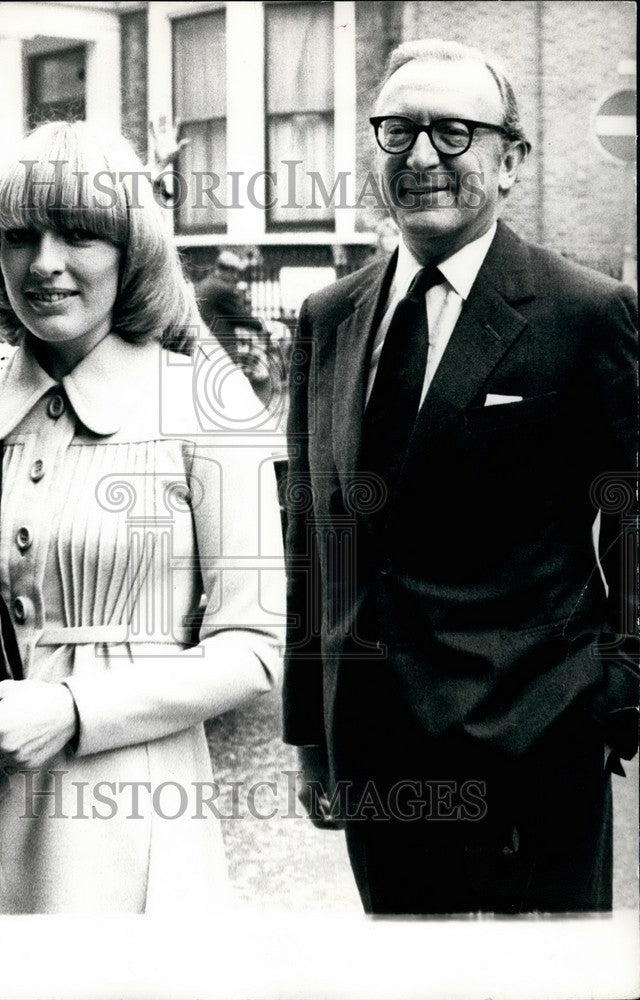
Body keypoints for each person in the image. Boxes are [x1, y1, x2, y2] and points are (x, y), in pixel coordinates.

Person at [0, 121, 284, 914]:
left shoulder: (207, 408)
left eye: (79, 234)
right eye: (21, 236)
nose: (44, 263)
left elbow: (255, 648)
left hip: (114, 825)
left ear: (131, 252)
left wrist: (76, 711)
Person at [283, 39, 638, 915]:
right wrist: (311, 737)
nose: (423, 156)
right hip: (372, 755)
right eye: (398, 132)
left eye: (453, 132)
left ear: (510, 159)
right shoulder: (328, 319)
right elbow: (314, 537)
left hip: (535, 743)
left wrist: (614, 690)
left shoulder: (586, 313)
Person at [194, 250, 262, 364]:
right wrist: (261, 326)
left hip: (204, 346)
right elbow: (240, 317)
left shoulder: (204, 284)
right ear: (229, 270)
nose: (236, 278)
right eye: (236, 273)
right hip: (220, 349)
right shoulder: (223, 289)